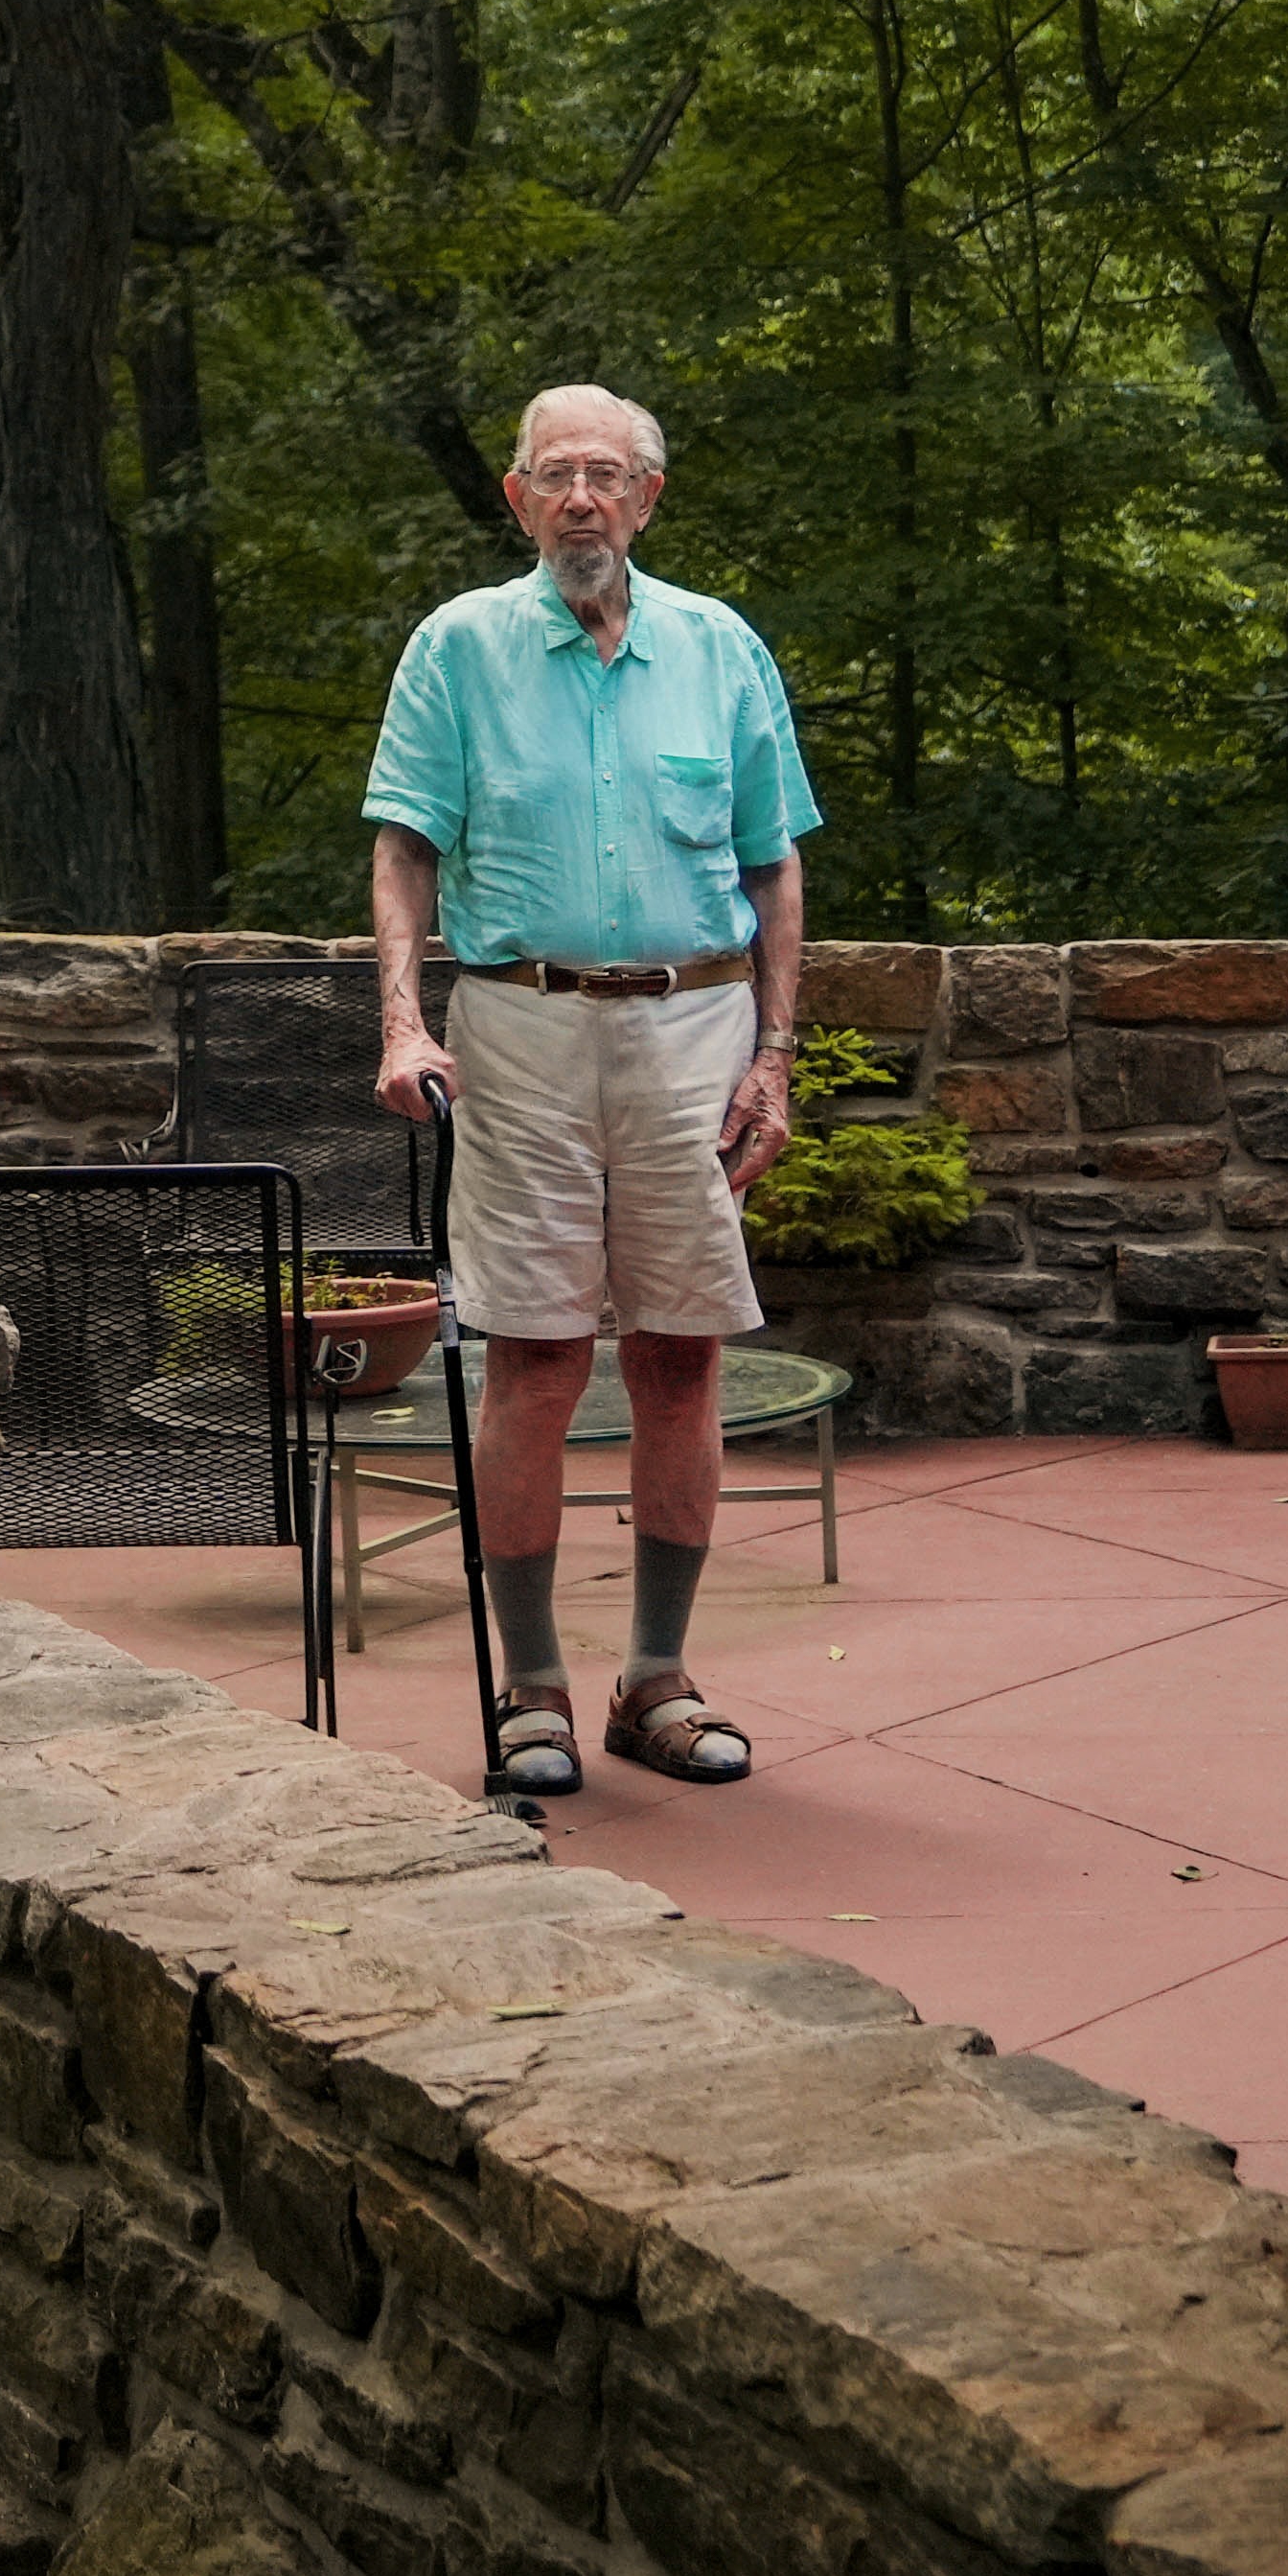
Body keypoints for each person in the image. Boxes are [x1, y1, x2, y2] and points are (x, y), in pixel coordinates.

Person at [359, 383, 813, 1799]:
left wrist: (775, 1058)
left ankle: (657, 1684)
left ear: (649, 498)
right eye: (553, 476)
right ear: (515, 498)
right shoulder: (458, 650)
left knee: (683, 1351)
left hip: (696, 1023)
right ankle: (534, 1688)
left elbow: (773, 865)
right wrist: (400, 1021)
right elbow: (403, 850)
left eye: (604, 477)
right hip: (522, 1025)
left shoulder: (719, 648)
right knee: (536, 1358)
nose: (579, 501)